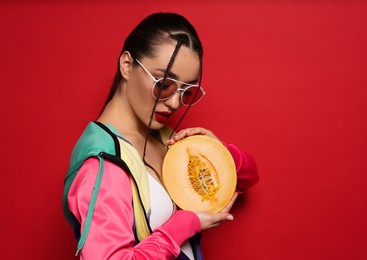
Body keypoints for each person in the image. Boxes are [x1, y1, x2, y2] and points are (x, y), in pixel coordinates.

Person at [62, 12, 259, 259]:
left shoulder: (164, 138)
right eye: (165, 84)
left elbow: (248, 176)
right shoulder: (103, 164)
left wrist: (217, 150)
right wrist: (183, 225)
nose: (176, 103)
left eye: (187, 91)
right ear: (126, 65)